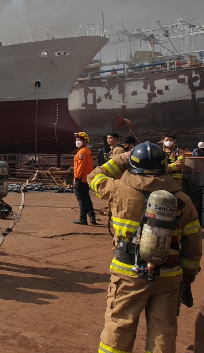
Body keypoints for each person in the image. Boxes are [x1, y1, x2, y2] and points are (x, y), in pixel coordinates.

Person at [88, 141, 202, 353]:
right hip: (169, 278)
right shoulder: (183, 200)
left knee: (119, 328)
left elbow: (94, 176)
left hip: (128, 275)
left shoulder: (117, 191)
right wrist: (186, 278)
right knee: (163, 333)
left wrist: (122, 157)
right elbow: (193, 248)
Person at [72, 131, 96, 225]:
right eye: (77, 140)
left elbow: (80, 167)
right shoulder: (87, 151)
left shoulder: (82, 152)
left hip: (81, 179)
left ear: (85, 141)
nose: (77, 141)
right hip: (86, 179)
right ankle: (92, 216)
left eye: (79, 140)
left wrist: (77, 179)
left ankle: (83, 218)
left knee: (81, 199)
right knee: (86, 198)